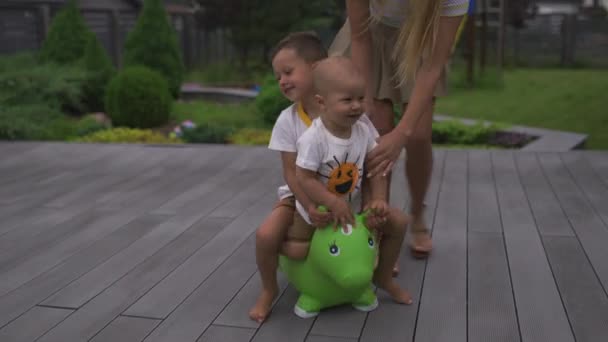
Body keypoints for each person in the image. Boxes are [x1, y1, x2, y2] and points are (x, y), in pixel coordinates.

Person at [249, 32, 380, 323]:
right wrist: (309, 207)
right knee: (268, 236)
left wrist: (372, 202)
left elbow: (370, 162)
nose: (282, 81)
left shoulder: (351, 114)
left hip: (346, 200)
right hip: (299, 198)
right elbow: (291, 172)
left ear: (317, 67)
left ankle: (371, 279)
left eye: (288, 71)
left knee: (383, 226)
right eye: (277, 76)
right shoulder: (288, 120)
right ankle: (268, 289)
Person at [329, 0, 469, 258]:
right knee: (377, 132)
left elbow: (433, 67)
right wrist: (365, 100)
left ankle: (417, 212)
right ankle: (378, 223)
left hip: (421, 40)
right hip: (369, 37)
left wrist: (403, 132)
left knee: (417, 136)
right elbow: (360, 38)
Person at [294, 56, 412, 305]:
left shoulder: (363, 130)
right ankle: (314, 282)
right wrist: (330, 203)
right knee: (295, 245)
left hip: (353, 209)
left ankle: (383, 276)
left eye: (360, 98)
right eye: (347, 100)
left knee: (398, 222)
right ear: (322, 102)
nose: (357, 106)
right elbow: (304, 178)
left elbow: (376, 167)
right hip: (321, 211)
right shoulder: (314, 139)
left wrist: (378, 198)